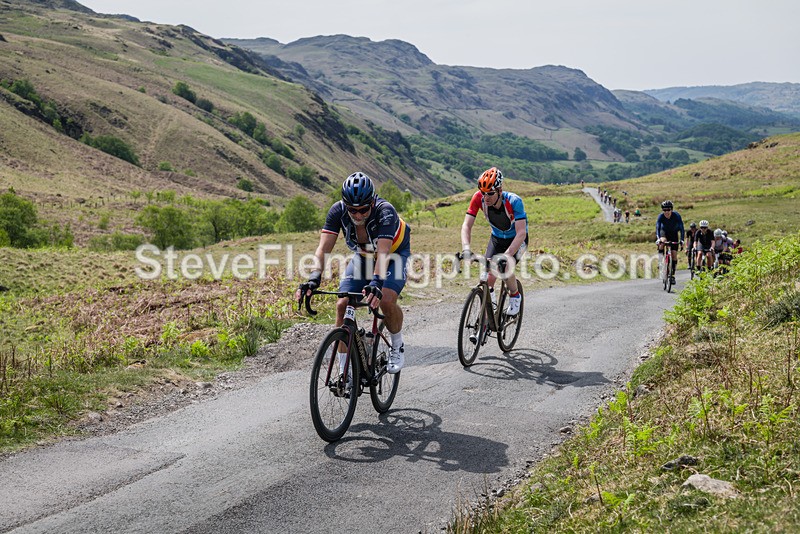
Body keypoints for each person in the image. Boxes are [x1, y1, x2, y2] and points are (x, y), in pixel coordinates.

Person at [299, 172, 411, 374]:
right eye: (352, 210)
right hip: (365, 256)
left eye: (363, 209)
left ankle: (397, 345)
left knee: (385, 300)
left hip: (393, 254)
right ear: (345, 205)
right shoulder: (337, 211)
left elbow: (384, 253)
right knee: (342, 304)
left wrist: (376, 283)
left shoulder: (385, 211)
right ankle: (345, 371)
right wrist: (314, 278)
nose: (358, 215)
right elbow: (324, 248)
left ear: (372, 202)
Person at [461, 167, 527, 316]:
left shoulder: (514, 201)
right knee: (487, 275)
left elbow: (521, 232)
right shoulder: (478, 198)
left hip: (516, 240)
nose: (486, 197)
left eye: (490, 193)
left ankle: (515, 295)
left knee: (504, 268)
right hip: (497, 238)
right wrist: (466, 249)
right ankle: (487, 314)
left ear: (500, 190)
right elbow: (466, 225)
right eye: (483, 193)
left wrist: (507, 255)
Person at [655, 200, 685, 285]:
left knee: (674, 255)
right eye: (664, 210)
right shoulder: (661, 216)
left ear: (671, 209)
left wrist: (682, 240)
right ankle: (661, 261)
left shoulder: (677, 216)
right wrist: (658, 238)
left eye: (668, 210)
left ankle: (672, 275)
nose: (666, 212)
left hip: (674, 234)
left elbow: (682, 228)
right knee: (662, 242)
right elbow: (657, 227)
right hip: (664, 232)